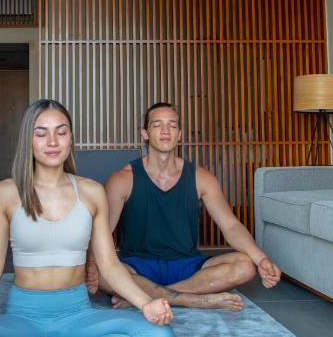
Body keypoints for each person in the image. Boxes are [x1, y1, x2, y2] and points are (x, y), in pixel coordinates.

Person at [0, 99, 175, 337]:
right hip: (22, 316)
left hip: (77, 314)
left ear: (70, 137)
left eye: (61, 132)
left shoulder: (92, 192)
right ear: (29, 140)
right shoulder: (6, 193)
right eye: (41, 133)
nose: (52, 141)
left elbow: (110, 266)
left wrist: (145, 303)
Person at [86, 102, 282, 312]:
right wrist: (90, 265)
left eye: (172, 125)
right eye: (157, 125)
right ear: (145, 133)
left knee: (245, 266)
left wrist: (261, 259)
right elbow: (102, 232)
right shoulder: (122, 179)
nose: (165, 130)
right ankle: (192, 299)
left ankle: (145, 296)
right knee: (99, 272)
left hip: (187, 265)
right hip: (137, 265)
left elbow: (231, 226)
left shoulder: (201, 177)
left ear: (179, 134)